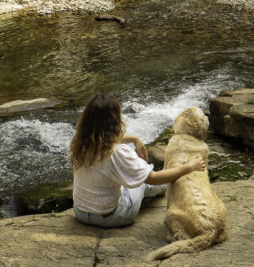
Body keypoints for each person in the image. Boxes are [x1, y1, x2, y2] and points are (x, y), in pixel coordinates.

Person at [71, 92, 206, 229]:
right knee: (142, 182)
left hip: (80, 213)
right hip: (111, 217)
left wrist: (134, 139)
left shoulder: (80, 142)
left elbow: (103, 139)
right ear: (115, 119)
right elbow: (152, 178)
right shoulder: (119, 152)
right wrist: (189, 167)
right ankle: (165, 187)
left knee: (131, 177)